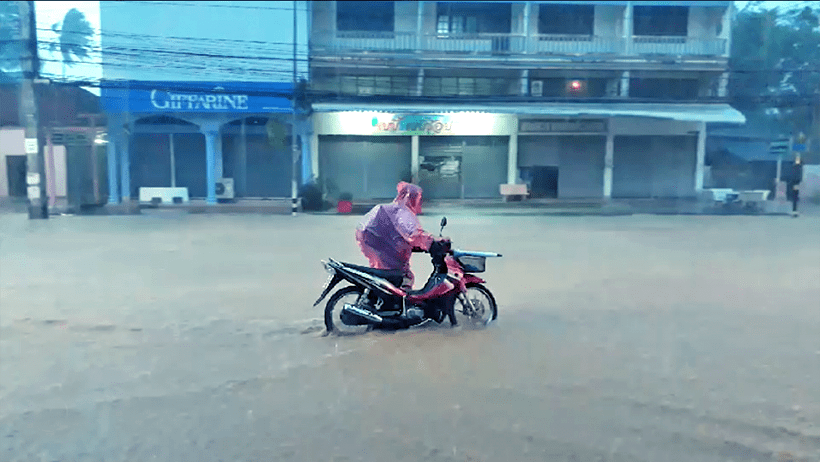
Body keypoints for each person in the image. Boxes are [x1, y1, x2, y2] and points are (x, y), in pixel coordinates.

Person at [355, 182, 447, 291]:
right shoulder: (402, 211)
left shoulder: (394, 208)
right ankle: (400, 303)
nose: (418, 201)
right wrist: (432, 241)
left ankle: (384, 298)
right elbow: (413, 234)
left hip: (369, 237)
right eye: (417, 197)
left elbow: (403, 233)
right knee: (402, 275)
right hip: (378, 241)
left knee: (384, 274)